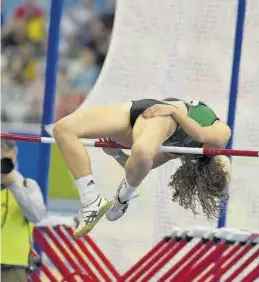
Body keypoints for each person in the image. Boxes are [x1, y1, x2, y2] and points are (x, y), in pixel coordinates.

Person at [53, 98, 231, 238]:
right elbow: (199, 133)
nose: (226, 162)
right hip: (143, 110)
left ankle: (122, 198)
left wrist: (116, 155)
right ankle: (91, 198)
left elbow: (141, 166)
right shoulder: (221, 136)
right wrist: (176, 112)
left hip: (157, 121)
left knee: (143, 155)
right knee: (63, 129)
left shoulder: (182, 149)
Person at [1, 139, 46, 282]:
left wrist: (13, 184)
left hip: (13, 267)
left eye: (6, 160)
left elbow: (36, 215)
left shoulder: (27, 185)